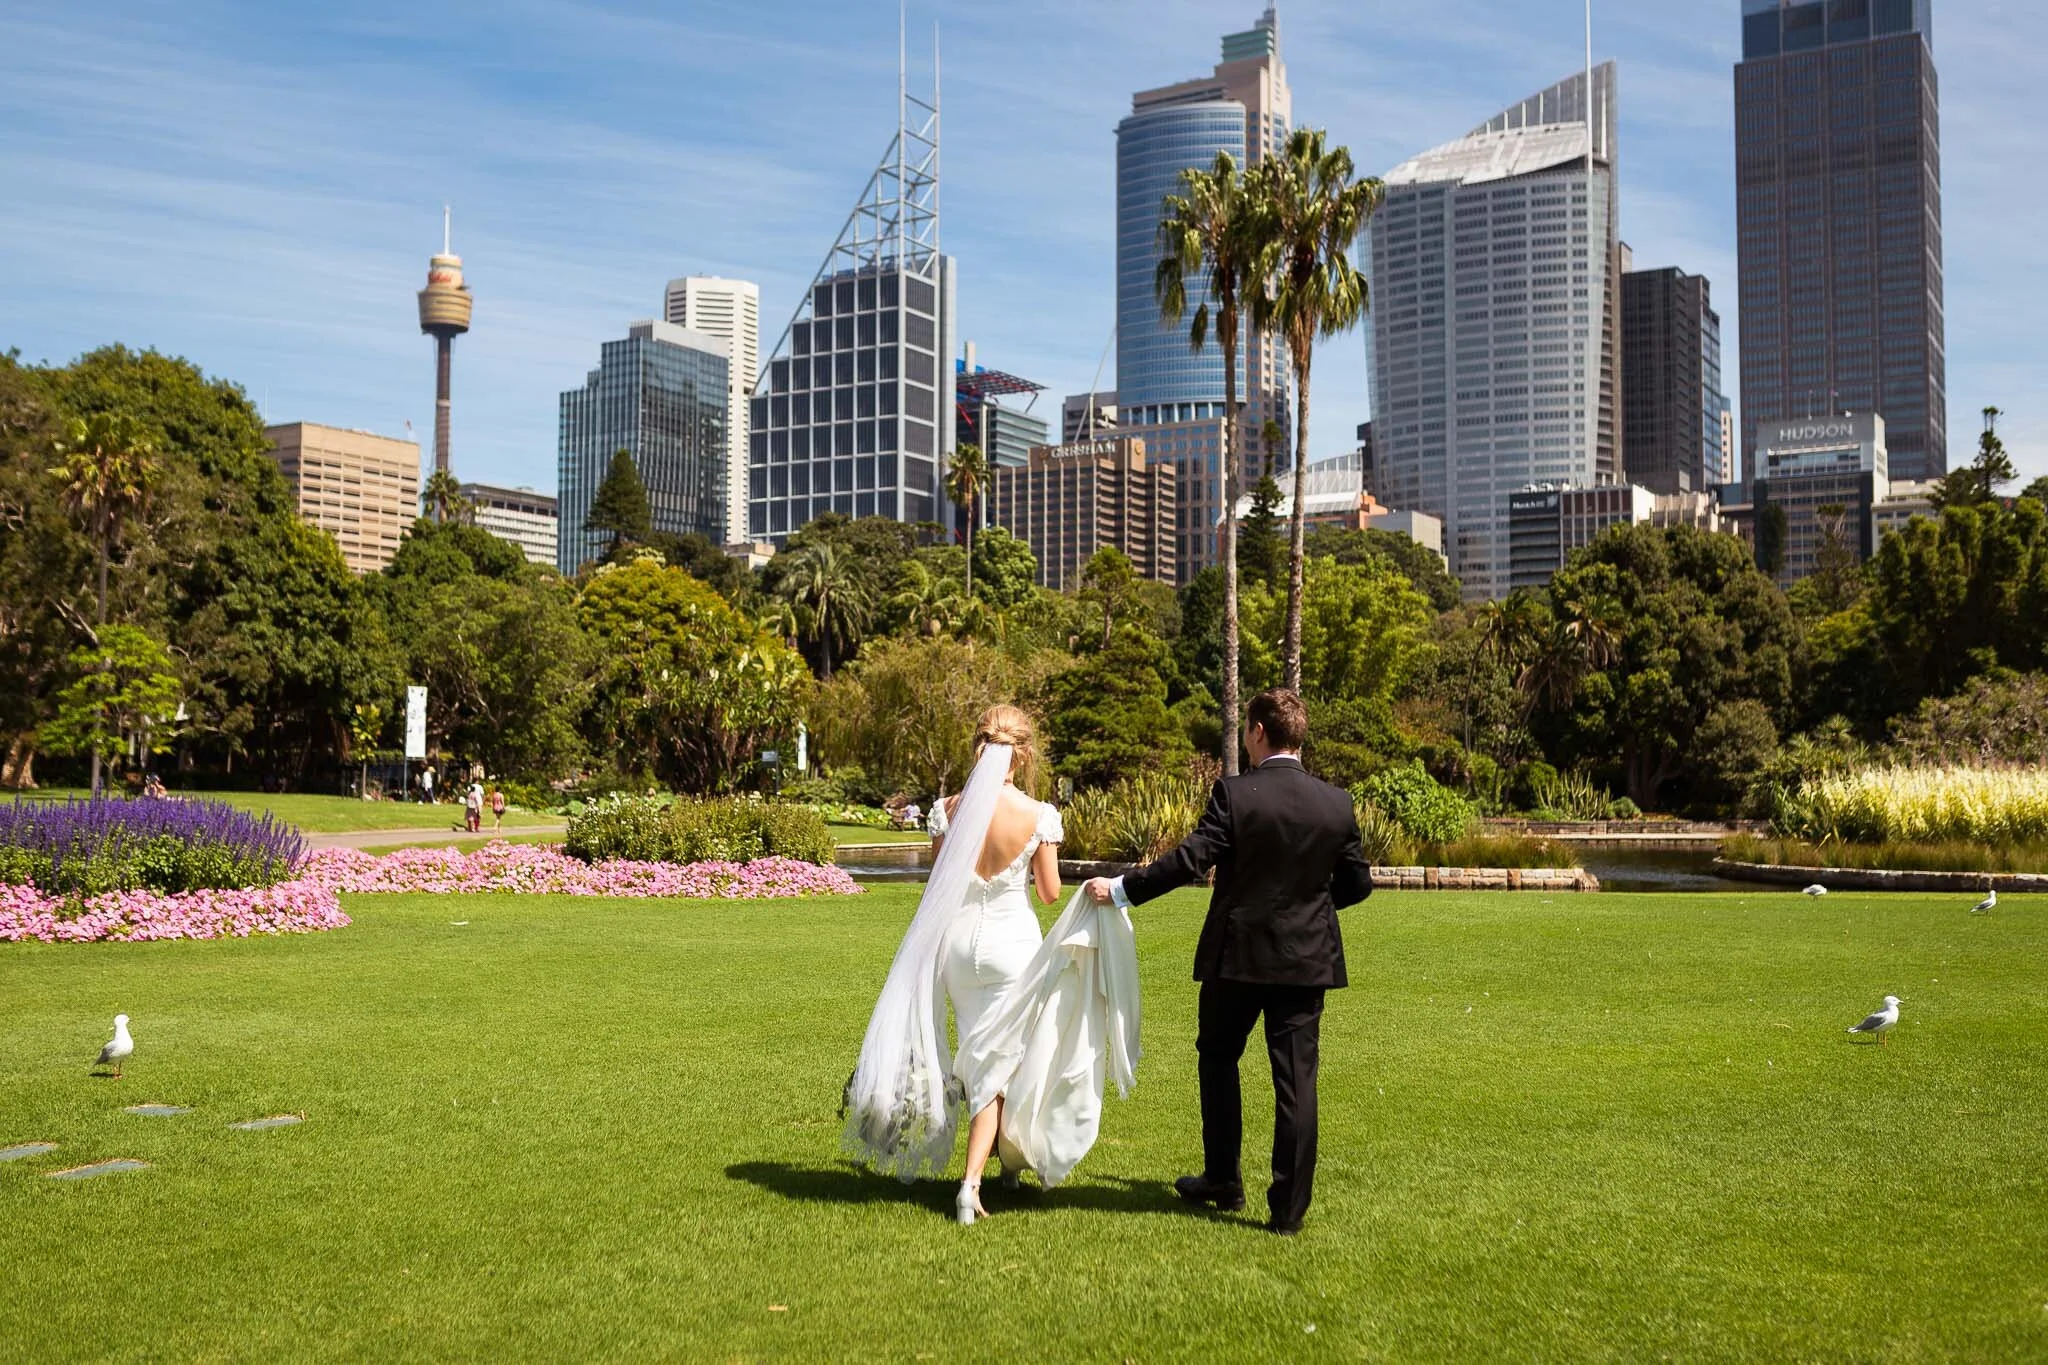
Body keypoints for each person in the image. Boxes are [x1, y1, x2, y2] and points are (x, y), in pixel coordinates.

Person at [1085, 688, 1372, 1237]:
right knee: (1296, 1082)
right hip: (1305, 960)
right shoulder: (1337, 803)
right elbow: (1357, 885)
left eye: (1247, 729)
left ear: (1260, 732)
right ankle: (1288, 1212)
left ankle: (1223, 1179)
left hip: (1236, 957)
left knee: (1218, 1058)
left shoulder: (1237, 795)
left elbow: (1193, 857)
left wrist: (1123, 889)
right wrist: (1309, 909)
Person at [841, 706, 1072, 1226]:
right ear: (1024, 753)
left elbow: (940, 885)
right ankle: (970, 1184)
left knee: (983, 1055)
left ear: (979, 748)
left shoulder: (948, 808)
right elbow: (1052, 894)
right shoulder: (1039, 814)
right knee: (999, 1062)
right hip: (1014, 947)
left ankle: (1008, 1166)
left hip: (959, 949)